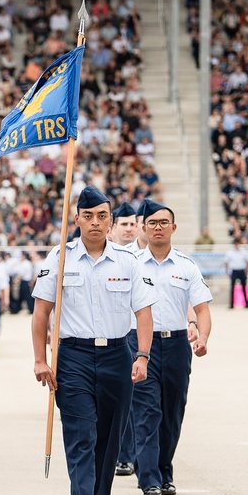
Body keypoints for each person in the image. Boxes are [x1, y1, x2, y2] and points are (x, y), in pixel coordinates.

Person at [31, 185, 156, 495]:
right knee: (81, 437)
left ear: (111, 220)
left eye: (102, 216)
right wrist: (40, 359)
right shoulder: (59, 257)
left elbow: (144, 313)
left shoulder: (128, 262)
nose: (95, 222)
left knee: (110, 440)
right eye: (88, 216)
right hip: (73, 358)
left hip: (118, 354)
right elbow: (42, 313)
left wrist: (143, 355)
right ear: (77, 220)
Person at [130, 201, 212, 495]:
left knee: (172, 412)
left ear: (173, 228)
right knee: (146, 410)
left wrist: (202, 337)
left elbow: (202, 308)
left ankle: (164, 470)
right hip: (140, 345)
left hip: (177, 344)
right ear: (143, 228)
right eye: (152, 223)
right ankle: (149, 478)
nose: (158, 227)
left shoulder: (186, 266)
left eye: (164, 222)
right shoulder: (131, 263)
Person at [110, 201, 139, 477]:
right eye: (125, 224)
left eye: (133, 224)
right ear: (113, 228)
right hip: (117, 335)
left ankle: (134, 454)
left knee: (138, 399)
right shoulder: (111, 256)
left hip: (137, 333)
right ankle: (125, 454)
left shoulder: (139, 258)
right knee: (123, 400)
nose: (130, 229)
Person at [224, 239, 248, 308]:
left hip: (242, 270)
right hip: (234, 270)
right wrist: (227, 272)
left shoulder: (244, 251)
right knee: (232, 288)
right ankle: (231, 304)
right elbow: (226, 262)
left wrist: (247, 271)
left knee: (244, 287)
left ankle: (246, 303)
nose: (236, 245)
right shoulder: (230, 252)